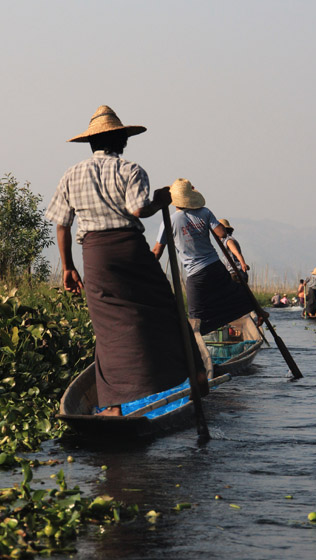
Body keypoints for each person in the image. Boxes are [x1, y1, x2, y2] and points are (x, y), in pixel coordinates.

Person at [46, 106, 207, 416]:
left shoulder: (71, 174)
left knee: (108, 327)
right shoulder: (131, 170)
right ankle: (196, 372)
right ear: (121, 141)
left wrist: (68, 267)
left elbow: (62, 225)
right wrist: (160, 201)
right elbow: (138, 210)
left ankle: (113, 406)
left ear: (92, 144)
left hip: (96, 255)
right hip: (130, 249)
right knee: (166, 308)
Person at [152, 178, 267, 335]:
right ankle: (259, 312)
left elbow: (157, 251)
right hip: (215, 266)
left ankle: (194, 352)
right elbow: (222, 233)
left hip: (196, 274)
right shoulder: (204, 212)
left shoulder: (169, 221)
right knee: (237, 294)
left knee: (195, 316)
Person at [217, 218, 250, 283]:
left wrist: (243, 263)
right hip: (233, 272)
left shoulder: (228, 240)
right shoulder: (224, 241)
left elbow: (237, 253)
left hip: (236, 272)